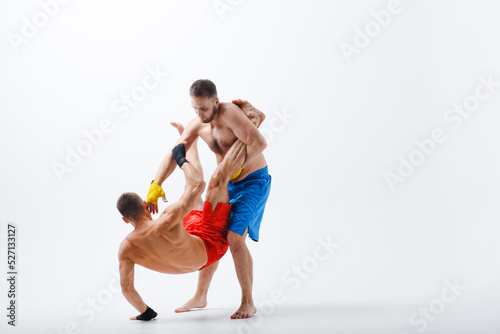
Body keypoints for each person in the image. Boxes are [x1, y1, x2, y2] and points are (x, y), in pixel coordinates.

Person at [146, 79, 271, 319]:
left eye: (204, 108)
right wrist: (156, 184)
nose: (199, 114)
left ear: (215, 101)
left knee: (234, 239)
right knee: (210, 235)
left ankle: (248, 302)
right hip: (227, 184)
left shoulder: (230, 113)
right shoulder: (198, 124)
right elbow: (174, 153)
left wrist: (236, 168)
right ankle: (200, 296)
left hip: (253, 182)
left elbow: (259, 143)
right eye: (195, 108)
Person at [117, 133, 246, 321]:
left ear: (125, 220)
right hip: (211, 246)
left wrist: (146, 312)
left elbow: (126, 288)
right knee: (218, 178)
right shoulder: (167, 219)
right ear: (146, 205)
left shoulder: (125, 248)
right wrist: (180, 159)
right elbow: (199, 185)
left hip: (194, 250)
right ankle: (249, 135)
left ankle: (189, 138)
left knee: (191, 200)